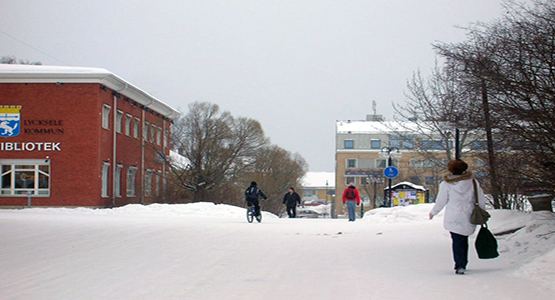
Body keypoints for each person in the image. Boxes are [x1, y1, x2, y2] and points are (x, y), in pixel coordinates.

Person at [429, 160, 487, 275]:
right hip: (469, 214)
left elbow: (441, 200)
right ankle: (463, 263)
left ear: (451, 170)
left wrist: (434, 212)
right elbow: (480, 198)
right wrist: (482, 213)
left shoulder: (447, 184)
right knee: (464, 238)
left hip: (454, 215)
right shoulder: (473, 182)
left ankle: (459, 264)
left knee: (457, 240)